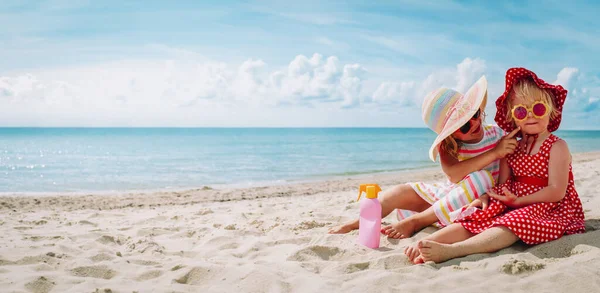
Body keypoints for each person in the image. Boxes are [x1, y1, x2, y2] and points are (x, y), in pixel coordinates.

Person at [406, 67, 586, 264]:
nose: (530, 115)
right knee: (480, 214)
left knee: (515, 220)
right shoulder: (512, 147)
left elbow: (556, 191)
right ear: (512, 116)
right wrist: (488, 197)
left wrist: (518, 201)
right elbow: (503, 183)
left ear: (551, 110)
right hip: (514, 199)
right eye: (521, 111)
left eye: (539, 108)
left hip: (549, 206)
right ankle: (427, 241)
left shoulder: (557, 146)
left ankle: (454, 250)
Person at [329, 76, 513, 238]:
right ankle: (356, 223)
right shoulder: (450, 147)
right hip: (452, 198)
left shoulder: (497, 135)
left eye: (474, 114)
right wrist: (494, 153)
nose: (474, 123)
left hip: (480, 200)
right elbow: (454, 176)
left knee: (482, 177)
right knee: (399, 192)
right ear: (451, 135)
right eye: (464, 126)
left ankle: (418, 221)